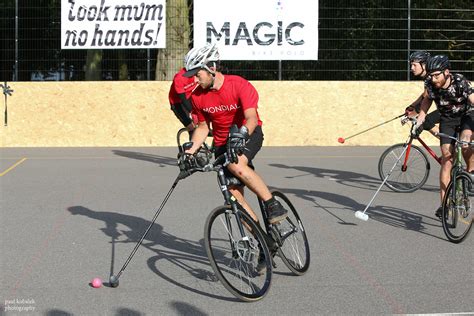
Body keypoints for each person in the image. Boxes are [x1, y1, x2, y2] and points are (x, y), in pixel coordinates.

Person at [181, 43, 288, 227]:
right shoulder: (197, 96)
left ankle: (272, 204)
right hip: (222, 143)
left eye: (198, 75)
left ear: (211, 68)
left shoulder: (238, 84)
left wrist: (242, 133)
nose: (195, 80)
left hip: (247, 134)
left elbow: (252, 118)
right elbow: (203, 127)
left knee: (235, 164)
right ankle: (264, 245)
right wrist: (189, 152)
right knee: (234, 201)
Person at [415, 55, 474, 218]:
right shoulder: (429, 83)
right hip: (447, 120)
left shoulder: (460, 81)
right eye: (431, 76)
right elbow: (427, 99)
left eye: (436, 76)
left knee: (465, 140)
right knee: (447, 159)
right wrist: (421, 116)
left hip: (467, 116)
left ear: (446, 72)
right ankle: (444, 205)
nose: (433, 79)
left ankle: (471, 169)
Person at [404, 51, 440, 137]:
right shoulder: (428, 78)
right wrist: (412, 106)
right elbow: (425, 94)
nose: (412, 68)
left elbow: (427, 97)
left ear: (424, 65)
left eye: (414, 65)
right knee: (425, 120)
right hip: (447, 108)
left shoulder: (432, 77)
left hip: (456, 108)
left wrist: (415, 111)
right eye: (411, 65)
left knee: (425, 121)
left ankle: (451, 144)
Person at [168, 49, 199, 138]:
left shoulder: (199, 74)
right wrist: (194, 112)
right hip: (177, 102)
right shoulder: (179, 78)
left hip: (189, 97)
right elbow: (183, 99)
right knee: (191, 127)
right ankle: (192, 149)